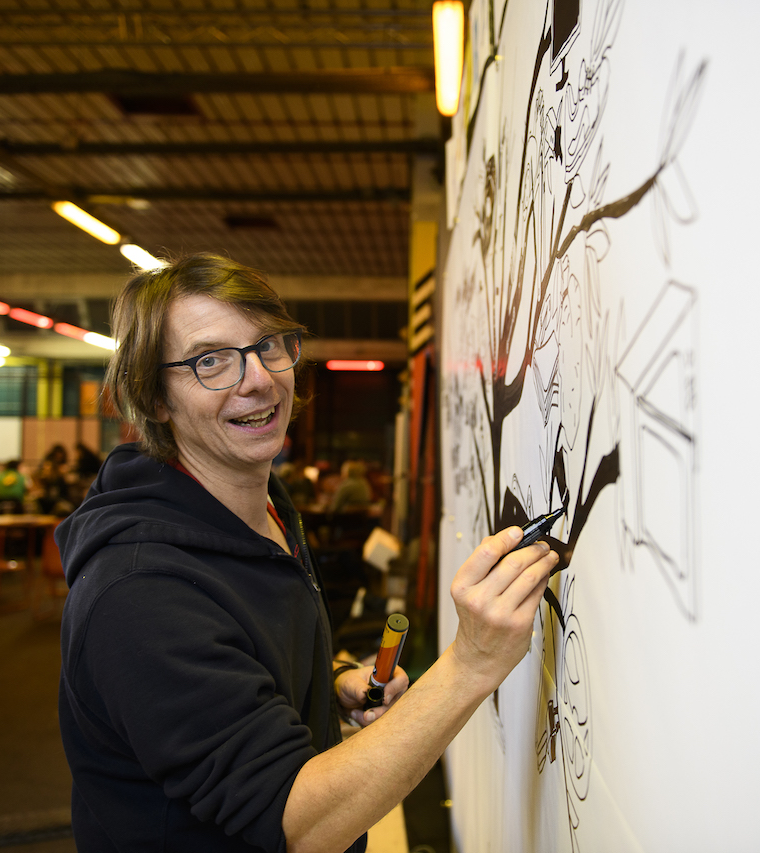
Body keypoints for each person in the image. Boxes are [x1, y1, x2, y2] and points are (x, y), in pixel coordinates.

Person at [56, 253, 557, 852]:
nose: (259, 379)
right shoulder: (140, 594)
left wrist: (330, 683)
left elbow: (247, 652)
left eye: (268, 345)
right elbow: (297, 825)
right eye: (210, 360)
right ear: (156, 398)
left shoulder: (262, 504)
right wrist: (471, 665)